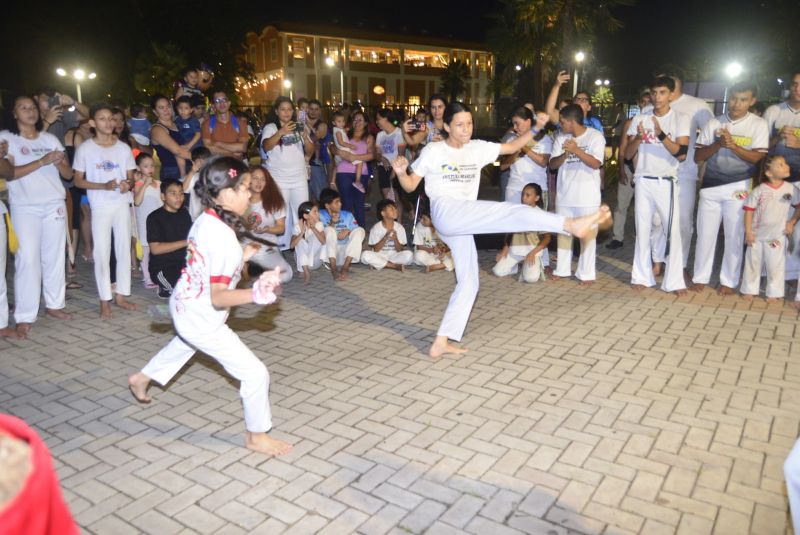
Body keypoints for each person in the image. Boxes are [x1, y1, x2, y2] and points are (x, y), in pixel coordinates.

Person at [391, 101, 611, 358]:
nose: (466, 129)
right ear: (447, 126)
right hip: (446, 212)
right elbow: (409, 186)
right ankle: (570, 224)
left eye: (470, 123)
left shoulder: (478, 148)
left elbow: (513, 146)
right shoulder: (434, 150)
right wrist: (400, 172)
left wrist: (537, 127)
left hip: (462, 222)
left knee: (470, 282)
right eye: (460, 125)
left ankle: (441, 341)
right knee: (509, 211)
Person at [128, 157, 292, 457]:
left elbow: (211, 265)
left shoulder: (205, 220)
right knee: (256, 374)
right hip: (203, 314)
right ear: (225, 194)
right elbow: (219, 296)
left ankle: (142, 378)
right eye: (243, 188)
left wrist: (243, 256)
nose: (249, 194)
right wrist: (255, 294)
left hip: (185, 302)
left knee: (185, 344)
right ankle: (256, 436)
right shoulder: (221, 237)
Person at [0, 96, 74, 339]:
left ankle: (55, 304)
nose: (30, 112)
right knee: (27, 260)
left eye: (32, 107)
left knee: (54, 257)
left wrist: (60, 162)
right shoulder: (8, 139)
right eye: (23, 107)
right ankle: (24, 315)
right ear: (14, 112)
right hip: (25, 207)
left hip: (53, 204)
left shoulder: (50, 138)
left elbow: (68, 173)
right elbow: (10, 174)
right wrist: (42, 161)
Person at [691, 82, 769, 295]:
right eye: (734, 98)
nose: (736, 104)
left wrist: (733, 146)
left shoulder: (758, 124)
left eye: (743, 100)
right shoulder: (714, 122)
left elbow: (758, 156)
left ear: (752, 101)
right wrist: (718, 144)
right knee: (705, 234)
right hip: (710, 187)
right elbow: (698, 156)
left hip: (739, 186)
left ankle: (729, 280)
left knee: (735, 234)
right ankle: (700, 277)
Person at [625, 77, 690, 295]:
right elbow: (627, 154)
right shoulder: (640, 118)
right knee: (642, 231)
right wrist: (638, 139)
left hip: (666, 182)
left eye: (662, 92)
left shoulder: (680, 118)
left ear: (671, 95)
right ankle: (641, 277)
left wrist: (660, 133)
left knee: (672, 231)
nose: (657, 97)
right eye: (654, 92)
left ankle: (674, 282)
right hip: (643, 180)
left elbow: (681, 154)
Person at [73, 102, 138, 319]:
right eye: (102, 118)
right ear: (92, 123)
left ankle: (121, 295)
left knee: (122, 250)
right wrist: (103, 186)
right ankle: (104, 300)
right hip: (100, 206)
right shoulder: (85, 149)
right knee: (102, 253)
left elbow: (131, 176)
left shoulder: (123, 148)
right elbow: (78, 181)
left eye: (111, 118)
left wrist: (127, 184)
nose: (109, 122)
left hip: (121, 203)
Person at [653, 68, 714, 277]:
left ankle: (679, 264)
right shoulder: (654, 106)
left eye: (665, 85)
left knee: (683, 220)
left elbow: (711, 136)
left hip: (685, 171)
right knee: (658, 220)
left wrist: (704, 165)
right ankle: (657, 260)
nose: (659, 92)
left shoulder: (697, 106)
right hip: (658, 172)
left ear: (676, 84)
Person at [550, 104, 606, 285]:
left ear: (571, 122)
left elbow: (596, 163)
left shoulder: (595, 137)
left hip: (587, 197)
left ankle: (586, 273)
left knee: (587, 237)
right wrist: (566, 154)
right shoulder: (561, 138)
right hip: (565, 195)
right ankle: (563, 269)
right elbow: (552, 165)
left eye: (562, 122)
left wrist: (577, 150)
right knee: (564, 235)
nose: (560, 125)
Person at [740, 156, 800, 302]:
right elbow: (749, 211)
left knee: (776, 264)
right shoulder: (759, 190)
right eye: (780, 164)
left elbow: (798, 207)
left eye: (785, 163)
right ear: (769, 173)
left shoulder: (791, 189)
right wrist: (748, 231)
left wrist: (791, 222)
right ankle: (749, 289)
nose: (785, 166)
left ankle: (774, 293)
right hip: (756, 235)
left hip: (777, 236)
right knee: (753, 263)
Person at [260, 97, 314, 250]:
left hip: (299, 178)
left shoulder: (299, 126)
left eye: (289, 109)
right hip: (279, 179)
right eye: (283, 109)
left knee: (302, 212)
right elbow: (267, 146)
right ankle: (282, 247)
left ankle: (302, 246)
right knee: (282, 214)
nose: (286, 112)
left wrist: (305, 136)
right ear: (276, 111)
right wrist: (281, 131)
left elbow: (310, 151)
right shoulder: (271, 127)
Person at [764, 71, 800, 281]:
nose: (797, 88)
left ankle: (792, 276)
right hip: (778, 182)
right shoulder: (774, 111)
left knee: (797, 232)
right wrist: (777, 138)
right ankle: (773, 275)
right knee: (775, 228)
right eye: (794, 84)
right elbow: (760, 148)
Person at [607, 91, 651, 250]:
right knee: (621, 205)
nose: (645, 104)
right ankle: (617, 237)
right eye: (643, 101)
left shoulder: (656, 123)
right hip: (629, 168)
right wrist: (621, 170)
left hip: (646, 171)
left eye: (649, 101)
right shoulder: (630, 122)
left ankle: (645, 239)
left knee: (645, 208)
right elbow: (623, 148)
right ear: (639, 103)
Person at [492, 183, 551, 283]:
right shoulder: (516, 211)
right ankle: (515, 266)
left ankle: (533, 265)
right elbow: (509, 232)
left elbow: (547, 238)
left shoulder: (541, 215)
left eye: (528, 195)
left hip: (532, 253)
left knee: (530, 279)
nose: (524, 198)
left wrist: (532, 253)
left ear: (536, 198)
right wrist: (505, 250)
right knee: (497, 271)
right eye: (523, 194)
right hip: (515, 251)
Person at [244, 166, 293, 283]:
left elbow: (281, 228)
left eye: (262, 179)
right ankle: (251, 269)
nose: (259, 182)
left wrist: (267, 229)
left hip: (266, 246)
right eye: (255, 178)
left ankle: (262, 277)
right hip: (245, 246)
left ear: (267, 183)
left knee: (287, 273)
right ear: (248, 180)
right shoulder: (241, 199)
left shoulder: (274, 201)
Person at [146, 180, 192, 298]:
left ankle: (168, 289)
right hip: (164, 268)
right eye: (173, 193)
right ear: (163, 196)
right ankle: (165, 288)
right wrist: (186, 242)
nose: (178, 198)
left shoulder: (185, 214)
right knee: (183, 294)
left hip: (184, 264)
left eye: (181, 193)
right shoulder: (154, 218)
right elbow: (155, 249)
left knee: (202, 287)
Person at [333, 110, 374, 227]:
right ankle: (345, 229)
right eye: (355, 119)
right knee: (346, 202)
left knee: (359, 202)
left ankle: (361, 230)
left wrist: (355, 157)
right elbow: (333, 145)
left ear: (366, 123)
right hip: (343, 171)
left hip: (361, 172)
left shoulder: (369, 137)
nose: (357, 122)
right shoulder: (345, 133)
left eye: (360, 119)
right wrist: (335, 150)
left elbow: (372, 155)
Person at [502, 108, 551, 205]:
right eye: (513, 124)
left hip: (537, 189)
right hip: (514, 189)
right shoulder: (511, 139)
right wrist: (516, 151)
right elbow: (503, 166)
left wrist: (525, 147)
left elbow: (543, 162)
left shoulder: (543, 138)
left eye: (517, 123)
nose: (515, 127)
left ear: (528, 122)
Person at [318, 188, 365, 281]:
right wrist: (332, 222)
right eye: (336, 202)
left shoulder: (347, 214)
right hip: (330, 254)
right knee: (330, 230)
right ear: (327, 205)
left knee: (360, 230)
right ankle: (334, 269)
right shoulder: (320, 215)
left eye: (340, 201)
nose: (340, 204)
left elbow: (356, 233)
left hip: (346, 253)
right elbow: (321, 236)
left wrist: (348, 231)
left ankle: (345, 267)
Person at [133, 153, 162, 289]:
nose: (150, 169)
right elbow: (137, 202)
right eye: (145, 166)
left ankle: (157, 275)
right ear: (139, 168)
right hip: (144, 221)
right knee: (145, 250)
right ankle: (147, 278)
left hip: (158, 222)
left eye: (152, 166)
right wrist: (144, 185)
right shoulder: (138, 184)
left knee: (158, 248)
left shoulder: (159, 184)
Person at [361, 199, 414, 271]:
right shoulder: (376, 228)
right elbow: (376, 250)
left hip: (394, 256)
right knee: (365, 255)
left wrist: (395, 239)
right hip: (380, 255)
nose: (395, 211)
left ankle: (381, 264)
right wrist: (385, 238)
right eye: (391, 209)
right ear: (383, 213)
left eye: (395, 209)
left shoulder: (400, 228)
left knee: (409, 255)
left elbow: (400, 250)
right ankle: (393, 266)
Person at [150, 94, 191, 181]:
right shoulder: (157, 129)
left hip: (190, 168)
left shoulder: (178, 124)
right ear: (155, 111)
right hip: (172, 173)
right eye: (161, 108)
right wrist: (201, 160)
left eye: (168, 106)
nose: (166, 110)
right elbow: (178, 151)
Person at [375, 109, 407, 217]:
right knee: (387, 197)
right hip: (383, 168)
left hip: (397, 168)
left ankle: (400, 223)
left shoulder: (399, 133)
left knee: (396, 197)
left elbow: (401, 153)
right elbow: (377, 154)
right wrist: (382, 159)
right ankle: (391, 221)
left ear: (386, 118)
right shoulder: (380, 135)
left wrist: (395, 170)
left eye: (379, 119)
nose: (377, 121)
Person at [202, 91, 248, 159]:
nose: (221, 103)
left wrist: (218, 144)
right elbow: (209, 148)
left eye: (224, 100)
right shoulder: (207, 124)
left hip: (236, 165)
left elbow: (242, 147)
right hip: (216, 165)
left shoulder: (240, 123)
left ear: (229, 103)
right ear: (213, 105)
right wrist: (232, 154)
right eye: (217, 101)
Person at [290, 201, 326, 283]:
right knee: (300, 241)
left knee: (315, 237)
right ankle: (306, 272)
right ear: (306, 216)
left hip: (314, 262)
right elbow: (291, 246)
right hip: (302, 264)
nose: (318, 214)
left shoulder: (319, 224)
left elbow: (324, 242)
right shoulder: (297, 226)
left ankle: (306, 268)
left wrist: (314, 229)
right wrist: (302, 233)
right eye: (315, 212)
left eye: (317, 211)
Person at [413, 204, 454, 273]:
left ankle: (435, 266)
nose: (421, 221)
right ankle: (443, 264)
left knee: (458, 256)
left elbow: (451, 245)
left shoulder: (444, 226)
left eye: (424, 219)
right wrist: (432, 250)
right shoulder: (420, 226)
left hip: (442, 254)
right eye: (422, 218)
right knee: (418, 255)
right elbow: (419, 247)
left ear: (433, 219)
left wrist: (443, 251)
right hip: (427, 253)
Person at [331, 111, 364, 192]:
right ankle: (357, 181)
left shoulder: (338, 130)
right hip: (344, 151)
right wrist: (350, 146)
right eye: (339, 121)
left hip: (340, 154)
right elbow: (340, 142)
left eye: (343, 121)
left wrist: (345, 130)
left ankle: (332, 181)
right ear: (333, 122)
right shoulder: (338, 131)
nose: (342, 123)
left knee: (336, 166)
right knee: (360, 162)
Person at [305, 99, 329, 202]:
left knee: (320, 197)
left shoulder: (322, 125)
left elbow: (313, 139)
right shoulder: (301, 123)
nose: (313, 111)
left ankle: (323, 217)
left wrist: (307, 124)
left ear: (319, 111)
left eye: (316, 109)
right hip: (302, 163)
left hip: (316, 165)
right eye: (311, 109)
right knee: (306, 197)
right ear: (307, 109)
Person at [184, 146, 212, 220]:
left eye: (205, 160)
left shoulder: (213, 175)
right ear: (193, 162)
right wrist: (192, 171)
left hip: (211, 216)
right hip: (195, 217)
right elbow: (184, 189)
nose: (203, 163)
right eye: (199, 160)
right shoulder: (193, 176)